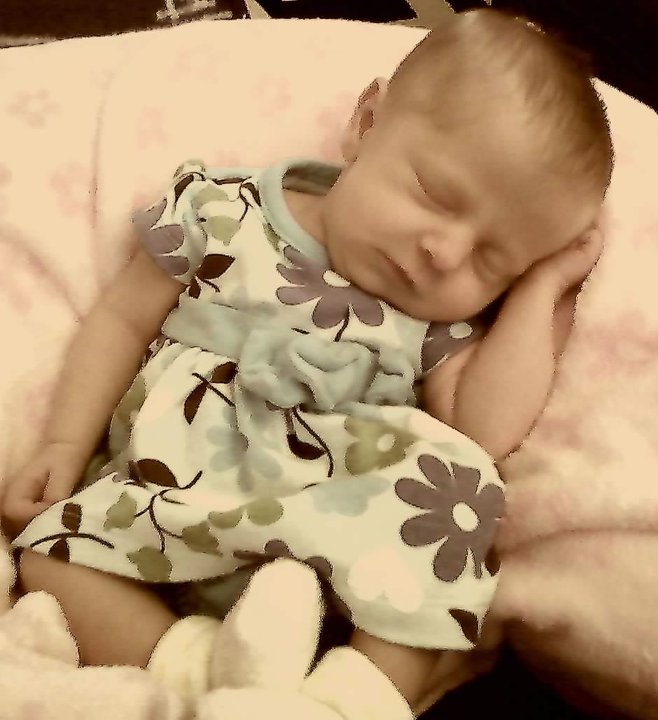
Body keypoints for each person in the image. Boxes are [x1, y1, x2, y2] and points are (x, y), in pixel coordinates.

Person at [1, 8, 613, 719]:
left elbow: (485, 430)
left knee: (459, 491)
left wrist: (540, 290)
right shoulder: (224, 211)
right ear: (367, 123)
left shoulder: (434, 324)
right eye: (434, 196)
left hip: (340, 542)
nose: (444, 253)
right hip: (172, 498)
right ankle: (202, 671)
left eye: (492, 259)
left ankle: (353, 698)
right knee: (49, 553)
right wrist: (63, 442)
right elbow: (120, 319)